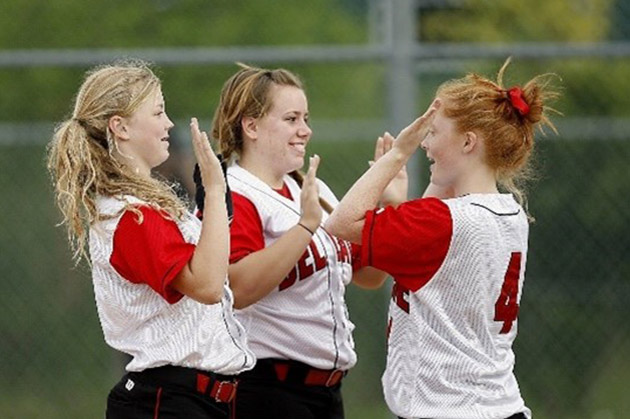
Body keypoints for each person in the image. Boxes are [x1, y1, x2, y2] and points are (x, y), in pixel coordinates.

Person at [325, 59, 559, 419]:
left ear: (468, 142)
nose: (424, 143)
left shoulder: (443, 222)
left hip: (450, 410)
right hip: (496, 405)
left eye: (433, 132)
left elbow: (342, 222)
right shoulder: (508, 213)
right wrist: (400, 201)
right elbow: (432, 252)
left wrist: (396, 154)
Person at [46, 60, 255, 419]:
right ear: (120, 126)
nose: (168, 124)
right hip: (168, 401)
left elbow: (203, 275)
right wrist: (217, 192)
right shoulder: (131, 215)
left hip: (194, 398)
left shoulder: (145, 207)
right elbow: (206, 286)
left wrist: (210, 214)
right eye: (158, 111)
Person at [194, 64, 389, 419]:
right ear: (250, 126)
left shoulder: (310, 188)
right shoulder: (236, 192)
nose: (305, 130)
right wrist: (305, 227)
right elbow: (237, 288)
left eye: (306, 118)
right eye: (291, 119)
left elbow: (369, 276)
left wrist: (389, 205)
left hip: (326, 391)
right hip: (266, 390)